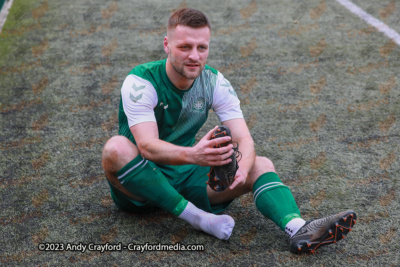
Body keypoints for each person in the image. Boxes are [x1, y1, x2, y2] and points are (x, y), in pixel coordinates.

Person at [101, 8, 356, 254]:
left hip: (187, 179)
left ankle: (299, 228)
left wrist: (243, 170)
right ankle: (199, 218)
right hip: (139, 186)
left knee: (261, 164)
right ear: (167, 45)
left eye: (202, 48)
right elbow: (147, 146)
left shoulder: (214, 81)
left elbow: (244, 138)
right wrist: (195, 156)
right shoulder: (141, 81)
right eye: (184, 47)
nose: (194, 56)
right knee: (116, 148)